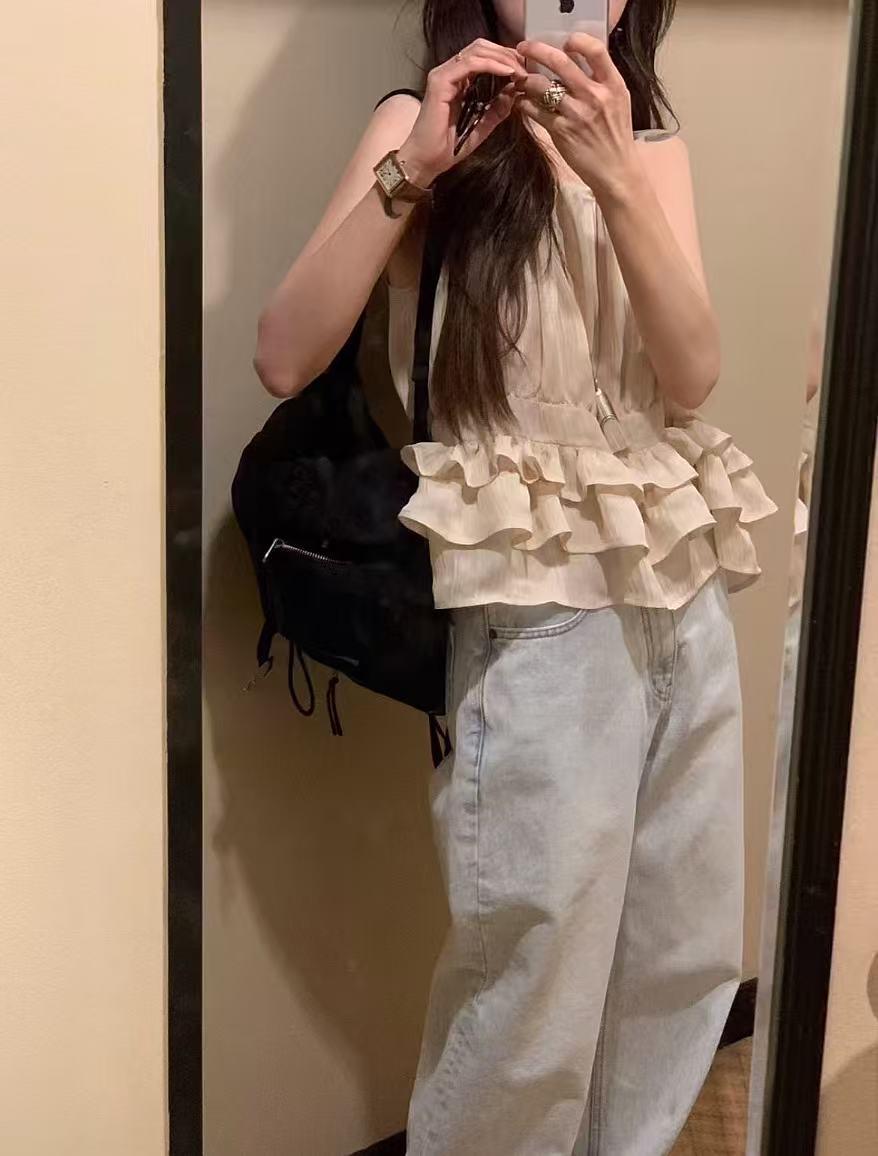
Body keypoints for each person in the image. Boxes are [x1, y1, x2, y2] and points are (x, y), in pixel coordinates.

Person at [255, 2, 775, 1152]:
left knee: (675, 972)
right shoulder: (422, 126)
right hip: (536, 619)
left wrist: (616, 174)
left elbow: (688, 374)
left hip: (679, 598)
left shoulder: (646, 144)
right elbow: (283, 354)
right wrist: (412, 168)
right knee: (529, 1002)